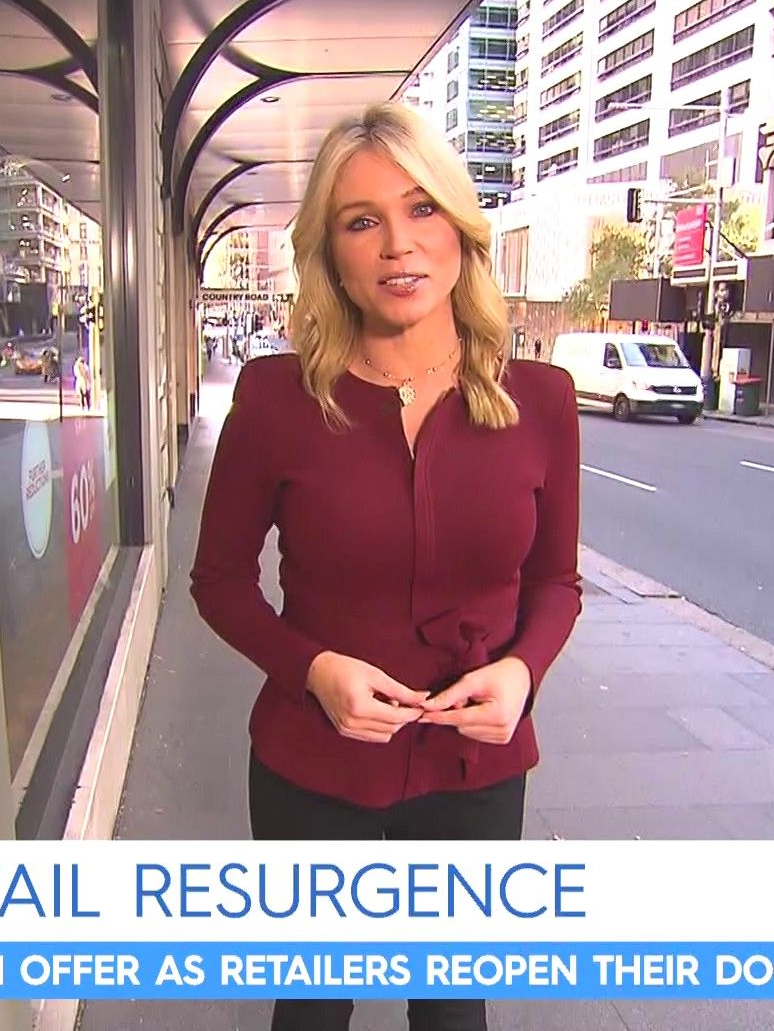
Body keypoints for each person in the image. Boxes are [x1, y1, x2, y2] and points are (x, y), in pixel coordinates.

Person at [190, 101, 583, 1031]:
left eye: (421, 209)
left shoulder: (542, 399)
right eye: (362, 221)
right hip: (312, 763)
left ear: (460, 229)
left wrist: (522, 674)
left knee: (452, 1011)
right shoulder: (275, 398)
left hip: (474, 767)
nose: (398, 245)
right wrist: (313, 670)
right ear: (331, 252)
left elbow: (555, 585)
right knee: (312, 1009)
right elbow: (219, 582)